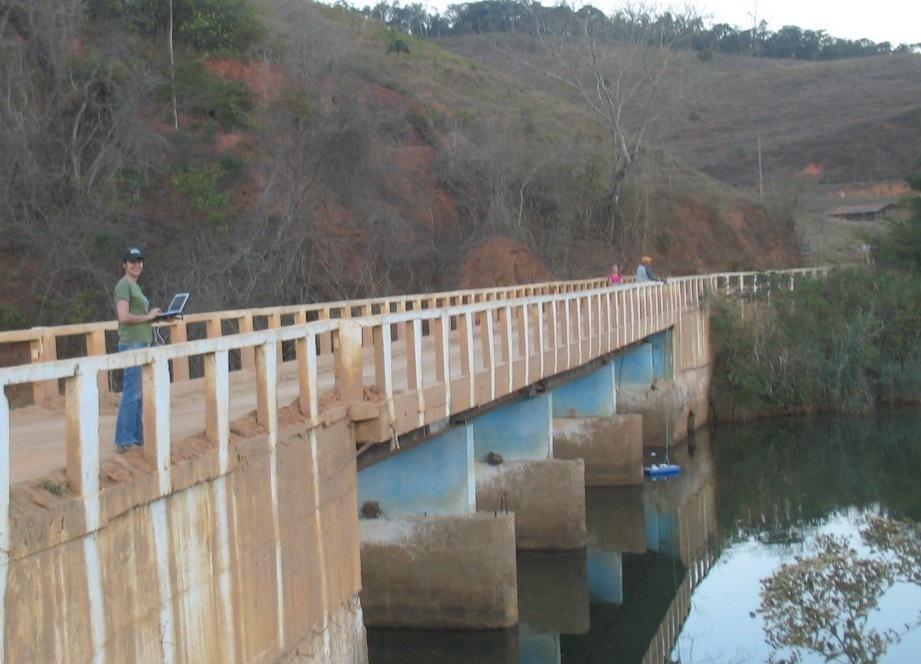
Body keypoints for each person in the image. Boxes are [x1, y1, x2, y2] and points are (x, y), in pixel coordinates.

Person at [113, 247, 161, 453]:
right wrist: (147, 318)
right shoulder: (123, 286)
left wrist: (157, 317)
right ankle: (124, 440)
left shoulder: (135, 287)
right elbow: (123, 317)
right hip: (132, 343)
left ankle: (136, 439)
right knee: (131, 393)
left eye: (139, 261)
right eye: (132, 262)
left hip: (141, 342)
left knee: (138, 394)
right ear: (124, 264)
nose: (136, 265)